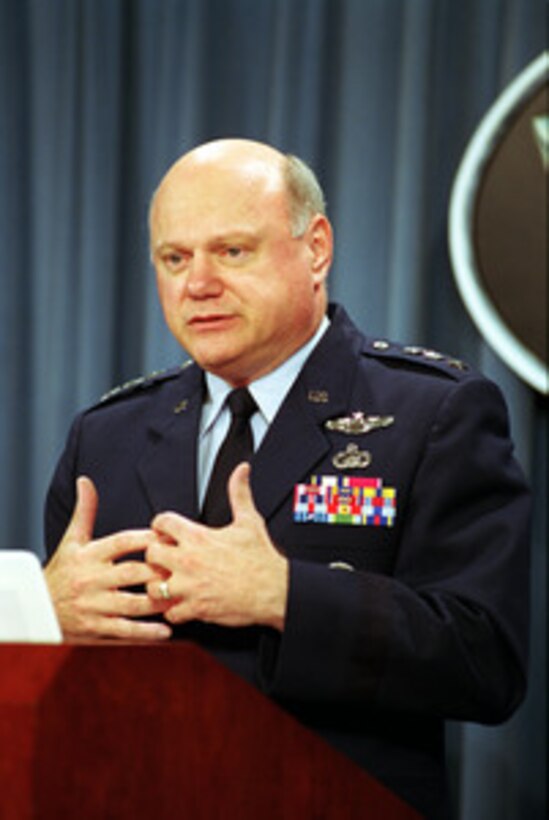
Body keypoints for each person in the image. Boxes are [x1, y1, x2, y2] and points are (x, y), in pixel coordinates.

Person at [44, 139, 530, 818]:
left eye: (232, 251)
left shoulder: (430, 412)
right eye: (174, 259)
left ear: (316, 249)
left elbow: (485, 662)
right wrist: (43, 620)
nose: (198, 284)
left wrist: (284, 596)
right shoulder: (107, 435)